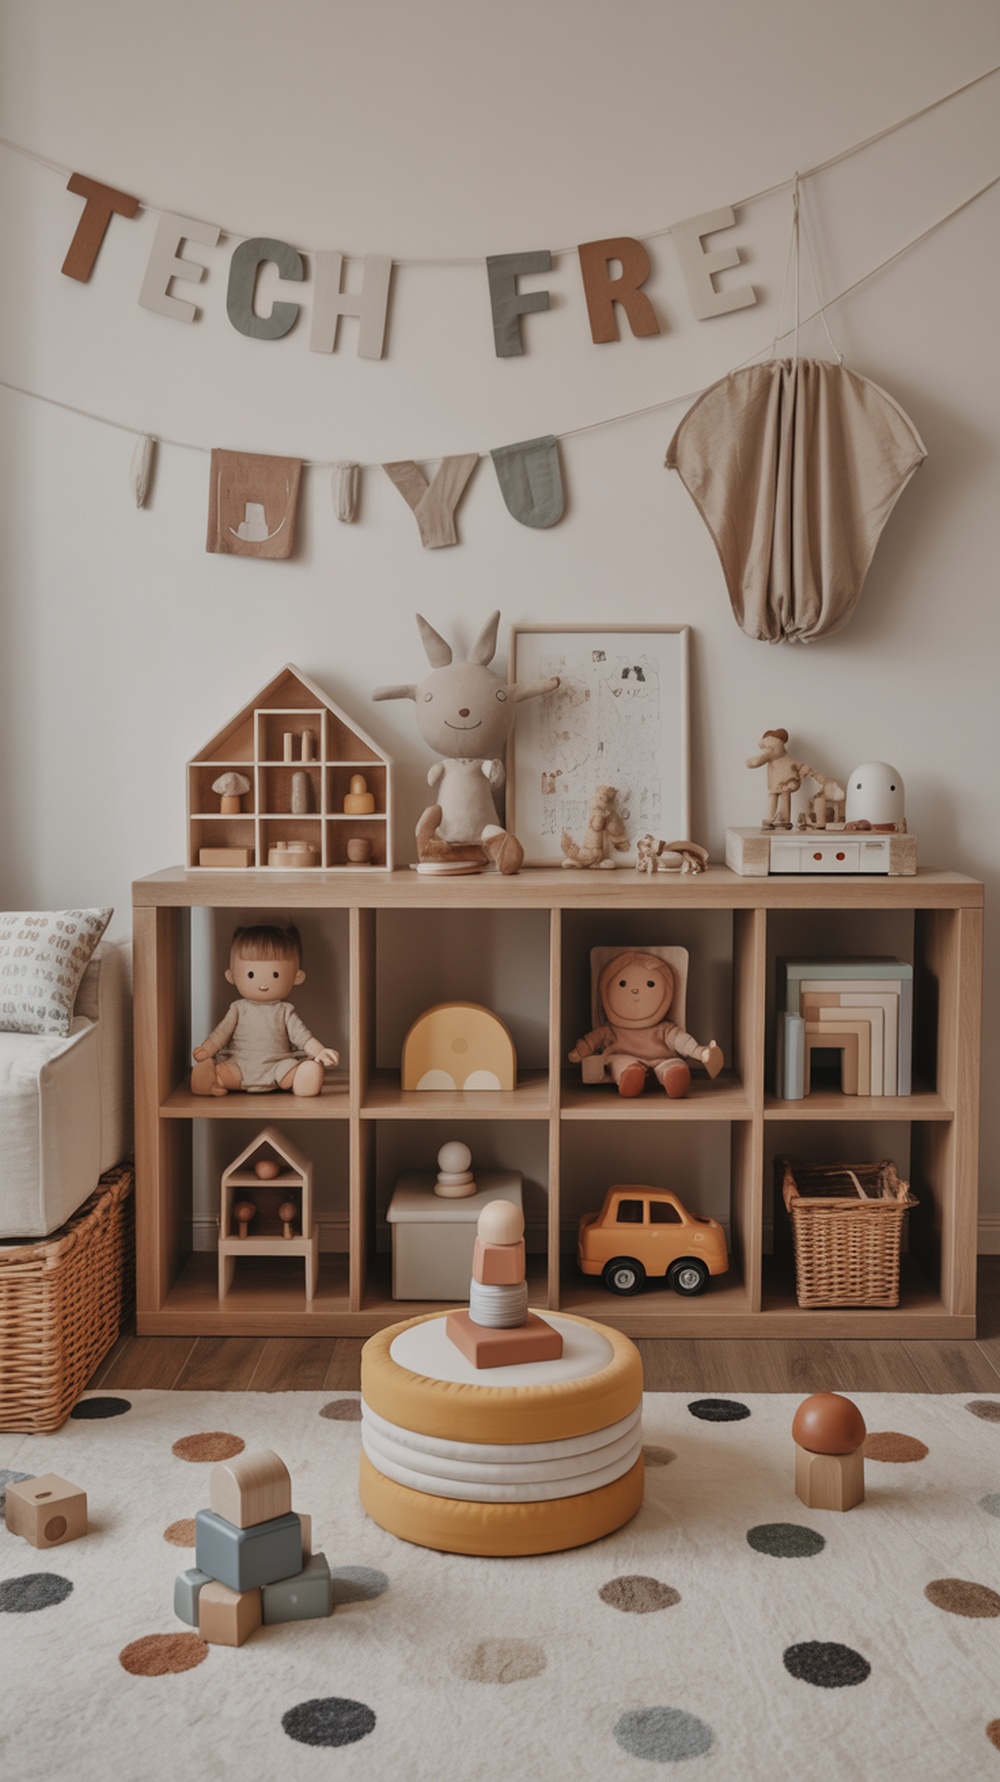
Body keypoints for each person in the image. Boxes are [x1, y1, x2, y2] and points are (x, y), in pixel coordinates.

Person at [191, 922, 339, 1096]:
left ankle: (304, 1078)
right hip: (239, 1065)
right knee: (220, 1070)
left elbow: (303, 1037)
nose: (262, 984)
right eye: (251, 974)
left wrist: (320, 1051)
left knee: (298, 1068)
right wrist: (207, 1049)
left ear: (297, 976)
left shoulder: (285, 1011)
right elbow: (221, 1033)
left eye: (275, 974)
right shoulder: (238, 1008)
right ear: (231, 975)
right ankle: (207, 1077)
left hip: (278, 1066)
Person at [568, 950, 723, 1099]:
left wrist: (699, 1052)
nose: (635, 990)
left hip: (661, 1058)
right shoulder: (610, 1030)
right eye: (623, 983)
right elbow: (592, 1040)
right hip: (623, 1057)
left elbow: (681, 1041)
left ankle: (674, 1077)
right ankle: (631, 1078)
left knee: (674, 1065)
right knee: (621, 1064)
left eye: (650, 984)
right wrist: (579, 1051)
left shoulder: (664, 1028)